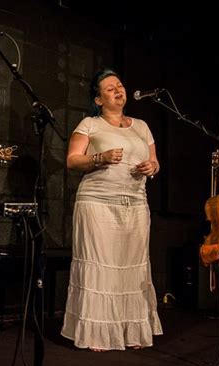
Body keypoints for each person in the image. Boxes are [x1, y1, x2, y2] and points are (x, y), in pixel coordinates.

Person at [61, 68, 163, 351]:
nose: (118, 90)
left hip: (135, 204)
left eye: (119, 85)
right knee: (101, 268)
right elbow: (72, 161)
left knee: (131, 268)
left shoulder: (141, 126)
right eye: (109, 88)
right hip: (97, 203)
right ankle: (98, 334)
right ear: (98, 99)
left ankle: (131, 331)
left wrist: (151, 167)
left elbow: (155, 162)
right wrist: (99, 157)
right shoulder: (90, 124)